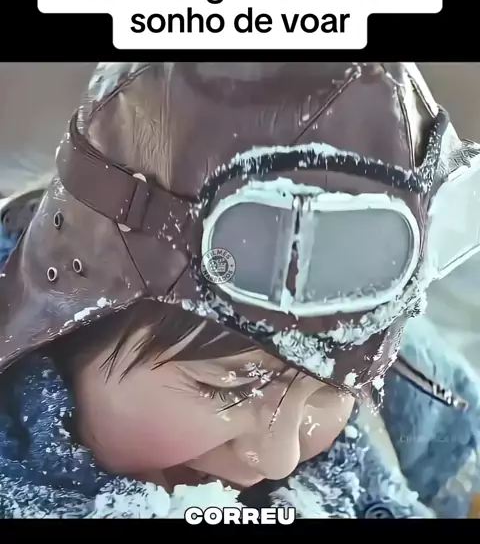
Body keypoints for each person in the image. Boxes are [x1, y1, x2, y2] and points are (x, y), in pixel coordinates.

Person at [1, 61, 480, 519]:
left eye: (333, 388)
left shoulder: (413, 394)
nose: (277, 460)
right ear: (67, 318)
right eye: (227, 386)